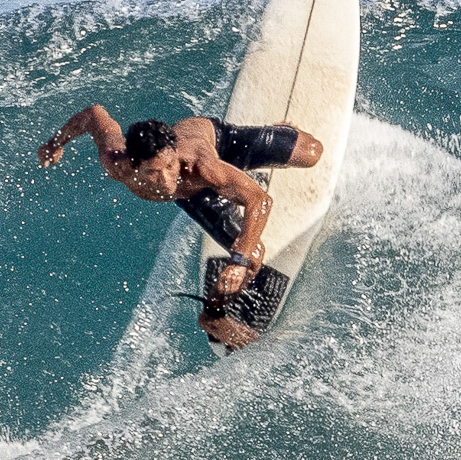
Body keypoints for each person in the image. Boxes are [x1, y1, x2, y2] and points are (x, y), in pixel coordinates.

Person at [35, 106, 327, 349]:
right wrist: (55, 142)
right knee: (255, 254)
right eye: (153, 172)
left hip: (216, 144)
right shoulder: (115, 162)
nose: (165, 180)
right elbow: (93, 115)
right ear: (133, 164)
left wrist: (236, 262)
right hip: (195, 193)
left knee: (312, 152)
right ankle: (213, 316)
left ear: (175, 154)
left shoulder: (197, 166)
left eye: (170, 166)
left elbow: (259, 201)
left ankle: (277, 135)